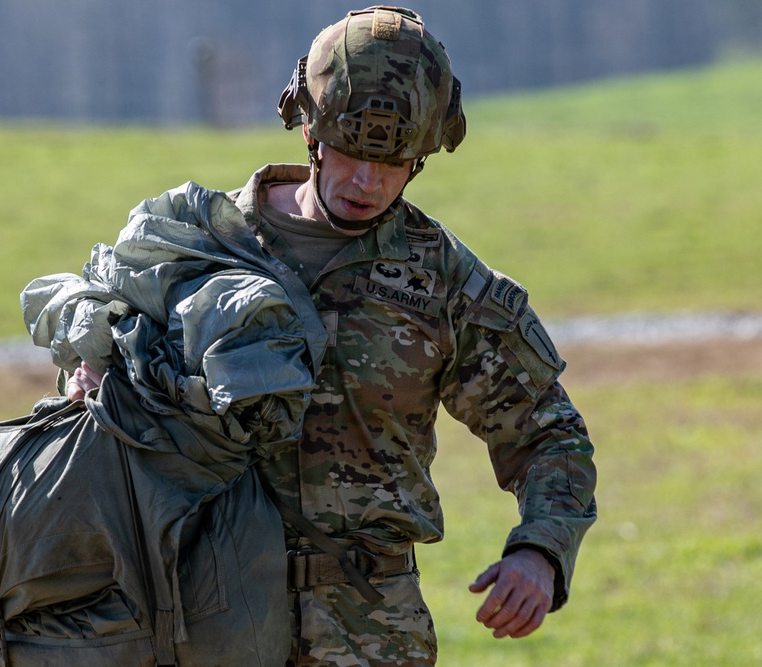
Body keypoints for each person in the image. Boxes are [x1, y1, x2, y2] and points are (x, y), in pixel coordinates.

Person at [66, 6, 597, 665]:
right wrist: (89, 377)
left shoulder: (447, 284)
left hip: (369, 629)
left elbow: (551, 434)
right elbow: (98, 383)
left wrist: (540, 550)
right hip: (201, 614)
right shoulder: (202, 247)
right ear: (312, 132)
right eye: (351, 153)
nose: (368, 181)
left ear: (421, 159)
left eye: (392, 161)